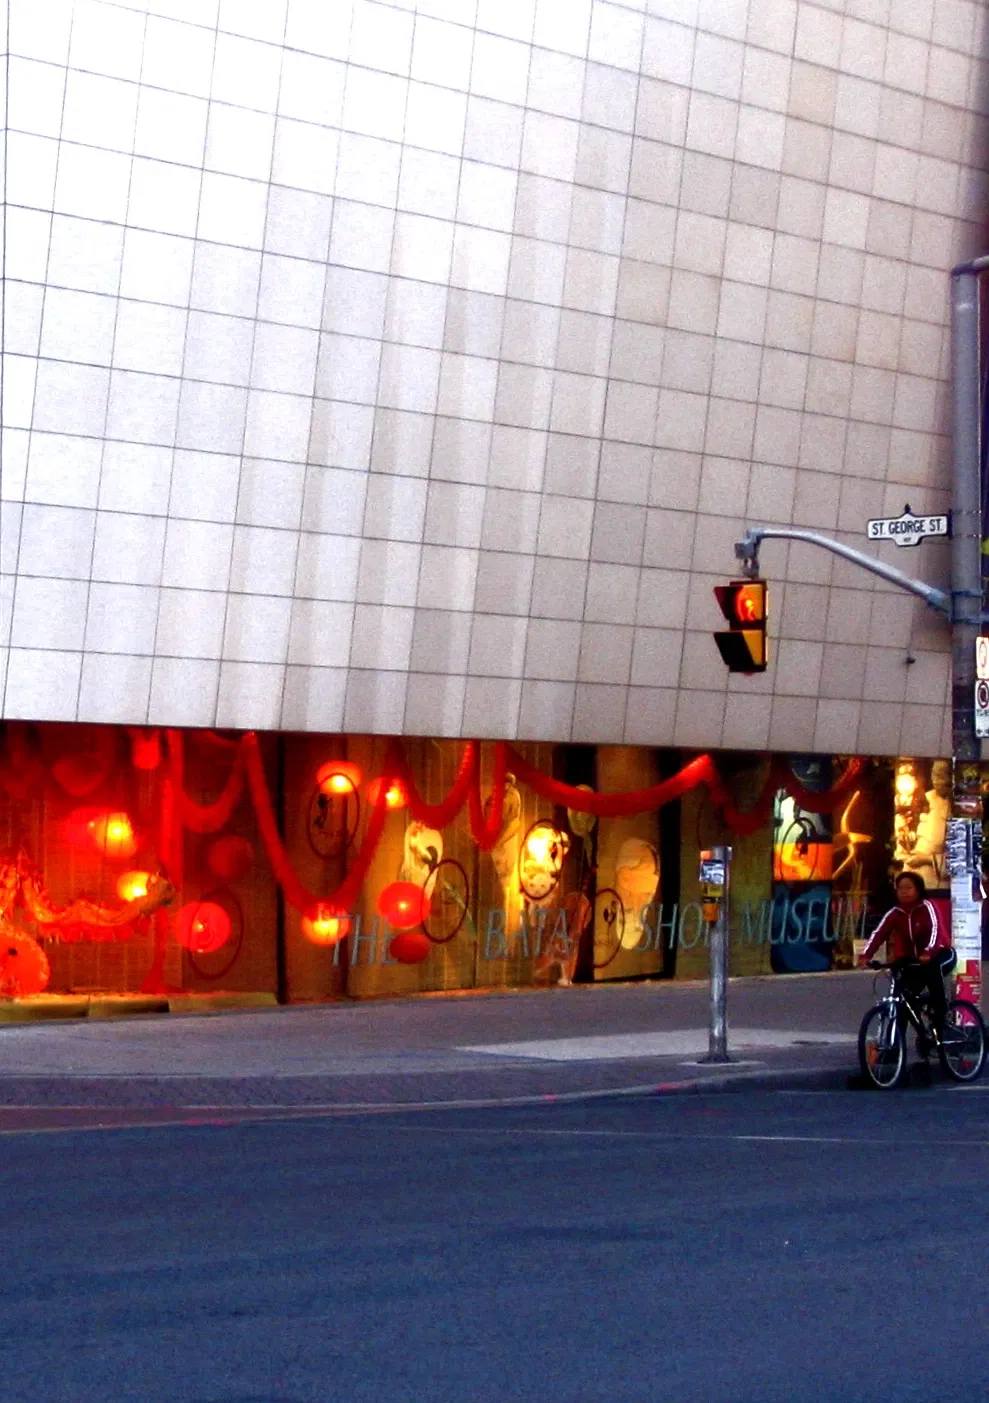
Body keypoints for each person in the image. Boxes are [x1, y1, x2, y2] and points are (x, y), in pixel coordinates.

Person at [860, 872, 955, 1036]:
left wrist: (928, 952)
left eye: (909, 887)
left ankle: (941, 1012)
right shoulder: (895, 912)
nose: (904, 892)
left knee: (932, 970)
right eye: (900, 888)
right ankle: (895, 1048)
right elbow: (879, 933)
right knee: (902, 1000)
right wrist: (866, 955)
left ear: (918, 889)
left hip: (940, 953)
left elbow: (936, 930)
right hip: (913, 960)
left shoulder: (927, 906)